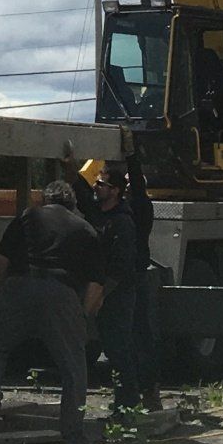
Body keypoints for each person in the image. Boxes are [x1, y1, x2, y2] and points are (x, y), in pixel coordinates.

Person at [0, 178, 103, 444]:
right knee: (73, 368)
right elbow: (95, 285)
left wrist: (6, 290)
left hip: (21, 284)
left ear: (45, 200)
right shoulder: (86, 230)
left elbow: (1, 261)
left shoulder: (28, 216)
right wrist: (81, 316)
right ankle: (73, 435)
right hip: (61, 293)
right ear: (73, 205)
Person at [92, 158, 161, 414]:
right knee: (124, 340)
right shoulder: (113, 210)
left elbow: (137, 188)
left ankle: (143, 392)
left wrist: (132, 154)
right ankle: (136, 394)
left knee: (135, 336)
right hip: (126, 279)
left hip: (132, 280)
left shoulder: (136, 210)